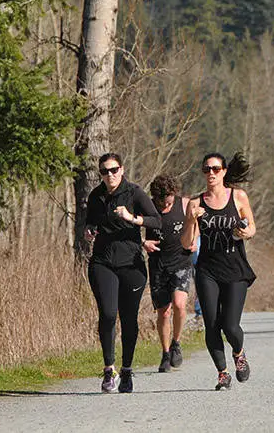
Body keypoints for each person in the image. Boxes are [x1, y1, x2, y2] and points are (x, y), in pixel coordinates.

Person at [83, 152, 162, 394]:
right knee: (107, 313)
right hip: (103, 262)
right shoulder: (96, 196)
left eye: (114, 170)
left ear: (122, 169)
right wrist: (89, 231)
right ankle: (109, 370)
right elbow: (90, 222)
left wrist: (132, 218)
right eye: (105, 171)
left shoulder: (134, 193)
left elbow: (157, 221)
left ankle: (127, 369)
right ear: (100, 174)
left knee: (129, 319)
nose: (110, 175)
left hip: (131, 265)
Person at [183, 152, 257, 391]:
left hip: (235, 267)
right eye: (206, 169)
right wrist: (191, 221)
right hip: (208, 269)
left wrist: (246, 232)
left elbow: (252, 226)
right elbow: (186, 243)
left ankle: (239, 352)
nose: (211, 173)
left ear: (224, 171)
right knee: (212, 324)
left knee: (231, 326)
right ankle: (222, 374)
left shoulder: (238, 196)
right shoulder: (195, 204)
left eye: (215, 169)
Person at [143, 174, 195, 373]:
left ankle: (177, 343)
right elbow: (131, 227)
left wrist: (194, 240)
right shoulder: (147, 207)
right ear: (155, 198)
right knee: (163, 312)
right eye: (163, 201)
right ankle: (165, 353)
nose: (167, 204)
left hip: (181, 261)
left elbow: (194, 221)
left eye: (170, 200)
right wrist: (144, 242)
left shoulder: (185, 204)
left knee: (180, 305)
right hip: (158, 264)